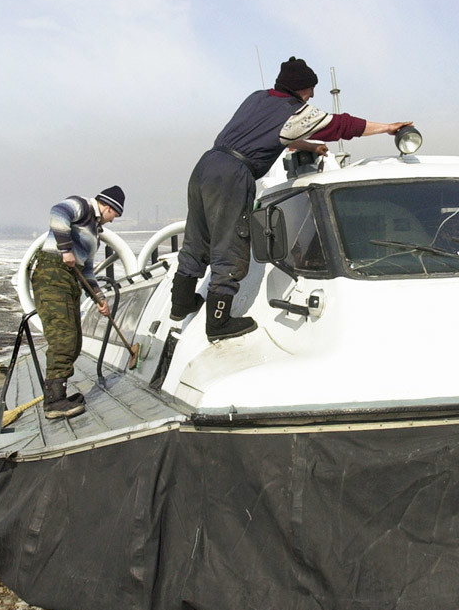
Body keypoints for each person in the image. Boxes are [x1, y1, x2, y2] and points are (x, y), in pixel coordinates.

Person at [171, 56, 412, 341]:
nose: (312, 95)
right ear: (300, 89)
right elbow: (341, 125)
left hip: (207, 166)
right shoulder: (295, 111)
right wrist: (386, 127)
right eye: (310, 89)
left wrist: (308, 145)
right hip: (234, 175)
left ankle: (181, 303)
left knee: (198, 237)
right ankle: (219, 322)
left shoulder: (257, 98)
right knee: (231, 244)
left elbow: (272, 135)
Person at [31, 185, 124, 419]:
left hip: (71, 280)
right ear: (108, 207)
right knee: (63, 339)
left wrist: (99, 298)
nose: (113, 221)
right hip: (53, 276)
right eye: (116, 215)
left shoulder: (94, 233)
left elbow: (88, 271)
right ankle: (53, 403)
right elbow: (58, 212)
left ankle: (58, 393)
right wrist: (65, 248)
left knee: (74, 341)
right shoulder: (82, 206)